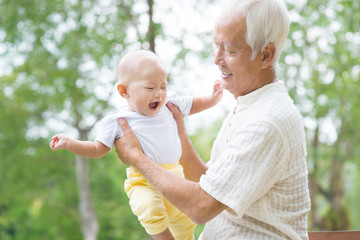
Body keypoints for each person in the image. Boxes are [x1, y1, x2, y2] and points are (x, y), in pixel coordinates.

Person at [113, 0, 311, 239]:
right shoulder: (251, 106)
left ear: (265, 55)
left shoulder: (266, 121)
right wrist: (178, 131)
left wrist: (137, 158)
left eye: (229, 50)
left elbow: (201, 206)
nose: (217, 59)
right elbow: (211, 185)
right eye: (216, 46)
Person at [49, 50, 223, 240]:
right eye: (150, 88)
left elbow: (193, 104)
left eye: (163, 86)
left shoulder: (169, 103)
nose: (159, 94)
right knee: (150, 209)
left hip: (176, 176)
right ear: (124, 91)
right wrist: (70, 143)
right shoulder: (118, 121)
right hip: (143, 182)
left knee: (186, 221)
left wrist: (212, 99)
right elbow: (96, 149)